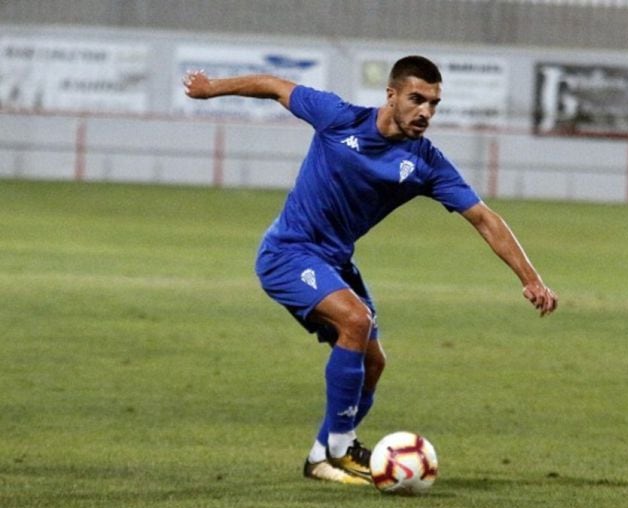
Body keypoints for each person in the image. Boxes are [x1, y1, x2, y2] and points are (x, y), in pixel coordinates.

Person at [183, 55, 557, 486]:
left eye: (434, 104)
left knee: (374, 363)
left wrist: (530, 279)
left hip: (335, 260)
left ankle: (321, 456)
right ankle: (342, 449)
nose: (426, 112)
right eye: (417, 99)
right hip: (288, 252)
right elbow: (274, 85)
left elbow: (484, 218)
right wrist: (211, 89)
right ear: (391, 95)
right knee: (356, 320)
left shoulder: (426, 164)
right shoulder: (338, 118)